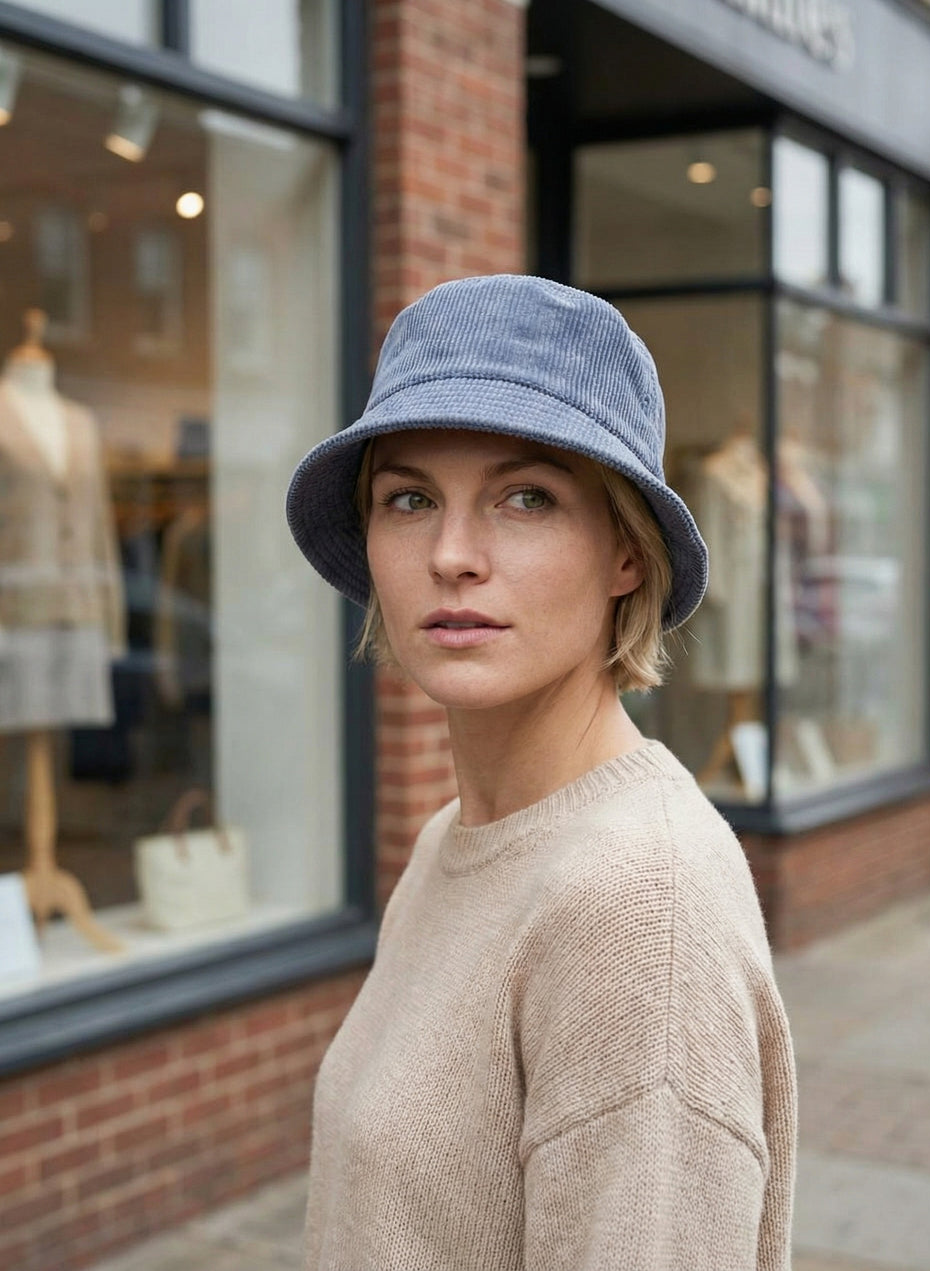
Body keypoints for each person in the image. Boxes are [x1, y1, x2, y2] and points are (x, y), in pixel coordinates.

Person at [286, 274, 797, 1271]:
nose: (452, 553)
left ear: (625, 555)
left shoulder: (637, 907)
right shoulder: (455, 838)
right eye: (409, 497)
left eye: (526, 497)